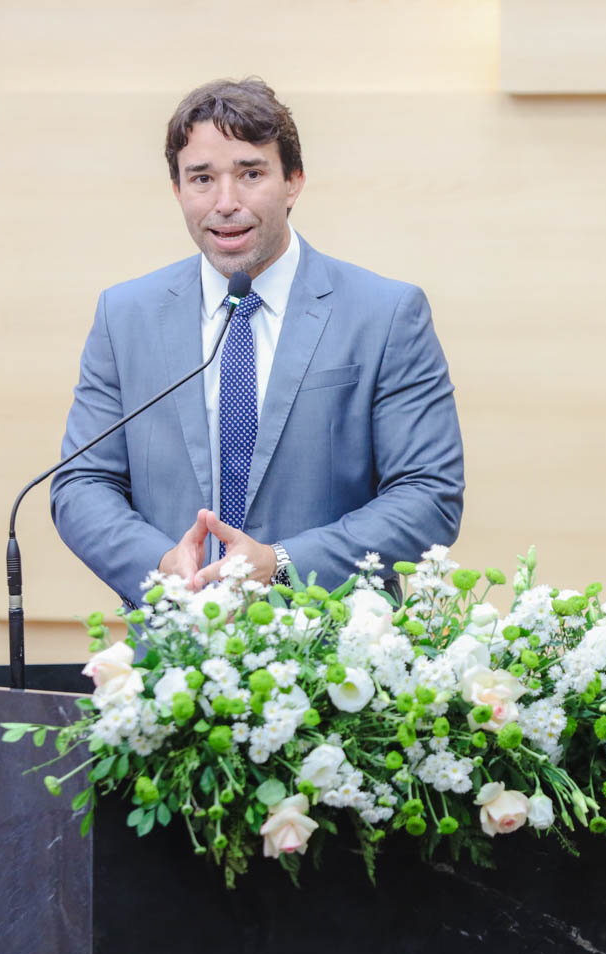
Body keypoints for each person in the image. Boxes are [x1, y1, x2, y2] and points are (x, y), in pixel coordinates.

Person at [51, 78, 464, 608]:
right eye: (202, 178)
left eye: (250, 174)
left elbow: (429, 496)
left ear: (293, 183)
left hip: (336, 659)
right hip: (173, 655)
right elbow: (81, 484)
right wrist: (161, 565)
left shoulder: (385, 314)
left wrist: (281, 564)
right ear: (177, 189)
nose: (226, 203)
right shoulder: (124, 315)